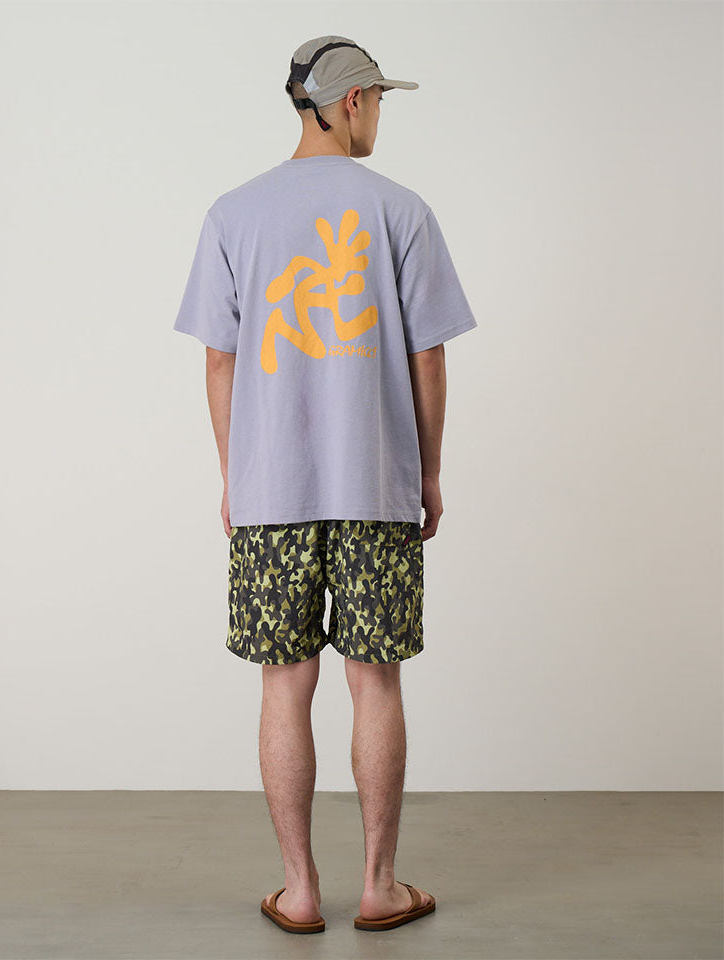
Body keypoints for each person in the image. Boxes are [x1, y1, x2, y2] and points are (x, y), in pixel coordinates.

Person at [173, 35, 478, 934]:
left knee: (284, 684)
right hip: (375, 487)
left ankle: (301, 890)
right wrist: (427, 471)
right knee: (375, 682)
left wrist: (235, 476)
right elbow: (429, 358)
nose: (379, 114)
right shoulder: (402, 211)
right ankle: (380, 886)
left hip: (271, 491)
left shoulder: (234, 214)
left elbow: (219, 361)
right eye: (378, 99)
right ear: (351, 103)